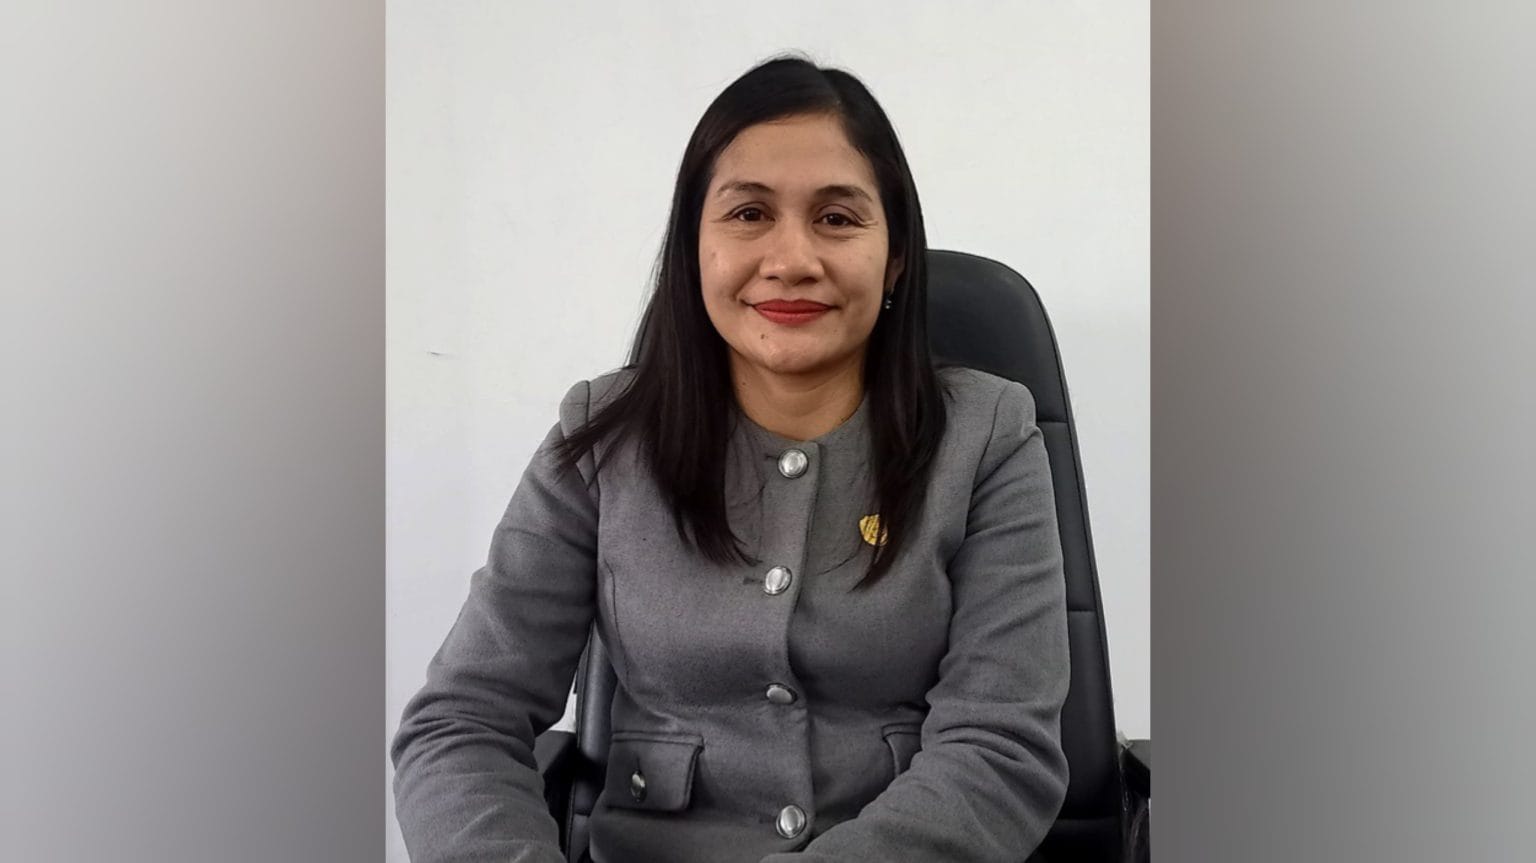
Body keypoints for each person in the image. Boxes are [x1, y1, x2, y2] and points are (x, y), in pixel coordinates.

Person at [390, 55, 1070, 863]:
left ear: (894, 257)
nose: (791, 258)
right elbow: (462, 720)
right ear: (694, 248)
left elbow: (999, 748)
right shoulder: (602, 437)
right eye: (749, 213)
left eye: (837, 218)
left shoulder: (986, 436)